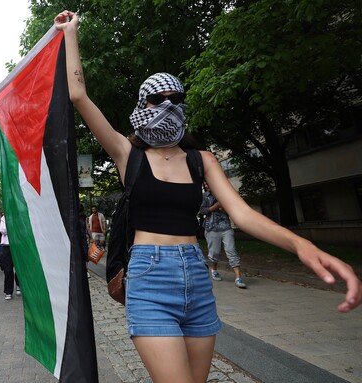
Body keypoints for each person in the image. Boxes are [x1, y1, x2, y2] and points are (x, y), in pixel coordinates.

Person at [54, 10, 361, 383]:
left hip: (196, 275)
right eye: (157, 100)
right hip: (149, 277)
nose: (167, 105)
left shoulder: (202, 160)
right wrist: (71, 34)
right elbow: (78, 94)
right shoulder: (126, 153)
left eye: (175, 97)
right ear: (141, 105)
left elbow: (242, 213)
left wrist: (300, 245)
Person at [200, 182, 246, 288]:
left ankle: (238, 278)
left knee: (231, 250)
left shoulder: (224, 195)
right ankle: (214, 270)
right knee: (214, 253)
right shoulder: (204, 196)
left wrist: (223, 208)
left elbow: (232, 210)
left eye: (209, 183)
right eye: (206, 184)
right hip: (211, 228)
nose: (208, 185)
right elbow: (203, 211)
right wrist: (215, 206)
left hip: (226, 227)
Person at [0, 212, 20, 300]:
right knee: (8, 269)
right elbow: (3, 230)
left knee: (19, 267)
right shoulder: (4, 218)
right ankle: (8, 291)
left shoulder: (19, 215)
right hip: (7, 246)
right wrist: (15, 228)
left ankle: (19, 285)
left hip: (18, 244)